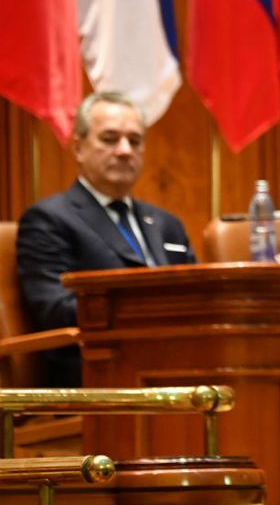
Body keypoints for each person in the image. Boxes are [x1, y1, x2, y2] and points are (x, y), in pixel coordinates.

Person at [16, 93, 196, 385]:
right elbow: (55, 309)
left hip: (175, 362)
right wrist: (148, 312)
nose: (125, 151)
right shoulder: (49, 219)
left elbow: (197, 294)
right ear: (78, 147)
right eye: (110, 139)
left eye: (135, 141)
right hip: (98, 370)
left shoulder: (166, 224)